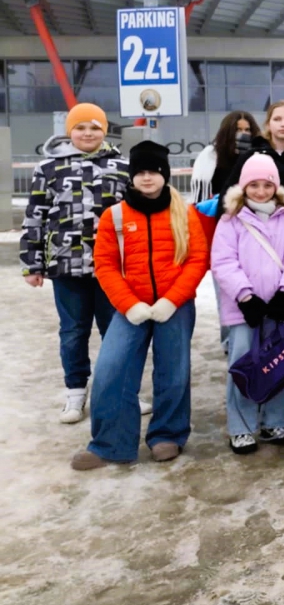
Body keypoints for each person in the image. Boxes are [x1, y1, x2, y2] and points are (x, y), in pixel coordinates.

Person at [71, 142, 209, 469]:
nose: (147, 178)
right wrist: (128, 304)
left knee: (173, 371)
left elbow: (198, 259)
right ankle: (109, 443)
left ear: (165, 175)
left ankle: (167, 436)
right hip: (130, 306)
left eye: (154, 172)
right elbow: (104, 264)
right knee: (112, 370)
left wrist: (172, 300)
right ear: (132, 177)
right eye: (141, 173)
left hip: (174, 306)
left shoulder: (185, 213)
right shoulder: (115, 216)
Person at [21, 104, 129, 424]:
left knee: (118, 330)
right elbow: (35, 215)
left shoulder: (122, 166)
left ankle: (121, 389)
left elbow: (135, 215)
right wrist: (33, 263)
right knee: (73, 331)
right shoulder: (49, 167)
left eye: (94, 127)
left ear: (104, 131)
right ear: (69, 131)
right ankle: (75, 391)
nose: (87, 133)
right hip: (66, 265)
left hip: (112, 265)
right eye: (80, 127)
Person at [210, 154, 284, 454]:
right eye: (254, 185)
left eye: (267, 185)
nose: (261, 191)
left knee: (278, 363)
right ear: (244, 187)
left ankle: (275, 420)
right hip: (244, 310)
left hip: (278, 308)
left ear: (276, 187)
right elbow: (223, 262)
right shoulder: (230, 220)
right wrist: (245, 296)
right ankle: (241, 425)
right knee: (244, 364)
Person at [222, 100, 284, 207]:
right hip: (253, 219)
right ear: (268, 124)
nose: (283, 124)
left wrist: (272, 160)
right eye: (277, 119)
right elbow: (228, 194)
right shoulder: (251, 155)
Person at [190, 110, 259, 203]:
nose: (243, 133)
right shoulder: (212, 153)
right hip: (218, 207)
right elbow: (201, 188)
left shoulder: (256, 154)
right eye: (238, 129)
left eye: (247, 130)